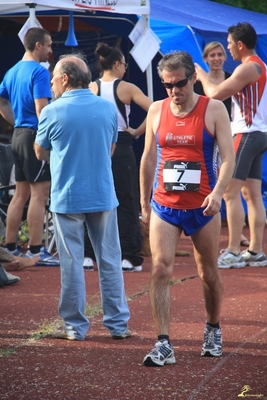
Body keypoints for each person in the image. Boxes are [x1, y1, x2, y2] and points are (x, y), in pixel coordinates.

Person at [140, 50, 235, 366]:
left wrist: (219, 193)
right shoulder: (156, 110)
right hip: (165, 205)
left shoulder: (214, 109)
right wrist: (145, 201)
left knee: (208, 273)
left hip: (203, 206)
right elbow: (149, 158)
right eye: (167, 85)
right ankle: (163, 342)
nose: (174, 91)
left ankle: (212, 327)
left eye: (179, 84)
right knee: (159, 268)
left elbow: (228, 158)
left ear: (193, 77)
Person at [34, 53, 131, 341]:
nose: (51, 85)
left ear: (65, 78)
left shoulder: (52, 111)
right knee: (110, 260)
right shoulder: (107, 108)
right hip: (102, 193)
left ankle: (75, 327)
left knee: (72, 263)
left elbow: (40, 152)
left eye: (53, 79)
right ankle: (118, 325)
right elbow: (111, 148)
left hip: (68, 196)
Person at [195, 22, 267, 268]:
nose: (227, 51)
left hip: (247, 134)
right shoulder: (257, 66)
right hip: (257, 134)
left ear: (239, 45)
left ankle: (235, 251)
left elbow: (214, 94)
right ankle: (256, 250)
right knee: (251, 193)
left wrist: (202, 75)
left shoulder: (249, 67)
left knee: (229, 192)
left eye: (228, 46)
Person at [88, 42, 152, 272]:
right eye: (124, 65)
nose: (125, 69)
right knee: (127, 200)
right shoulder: (126, 87)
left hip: (95, 146)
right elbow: (155, 110)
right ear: (116, 65)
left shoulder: (89, 88)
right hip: (121, 145)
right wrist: (136, 131)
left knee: (92, 199)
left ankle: (88, 254)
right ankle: (129, 256)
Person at [0, 27, 59, 266]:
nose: (50, 50)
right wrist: (45, 137)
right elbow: (41, 110)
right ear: (38, 46)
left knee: (21, 193)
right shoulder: (40, 72)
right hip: (35, 136)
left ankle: (10, 247)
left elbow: (2, 103)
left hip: (18, 135)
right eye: (49, 45)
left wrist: (18, 124)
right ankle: (36, 250)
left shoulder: (12, 70)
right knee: (39, 193)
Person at [195, 41, 250, 248]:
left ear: (225, 57)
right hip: (205, 139)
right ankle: (206, 228)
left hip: (230, 137)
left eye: (220, 54)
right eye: (212, 55)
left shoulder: (232, 79)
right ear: (206, 59)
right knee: (211, 184)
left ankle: (238, 235)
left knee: (232, 188)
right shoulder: (199, 82)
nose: (216, 58)